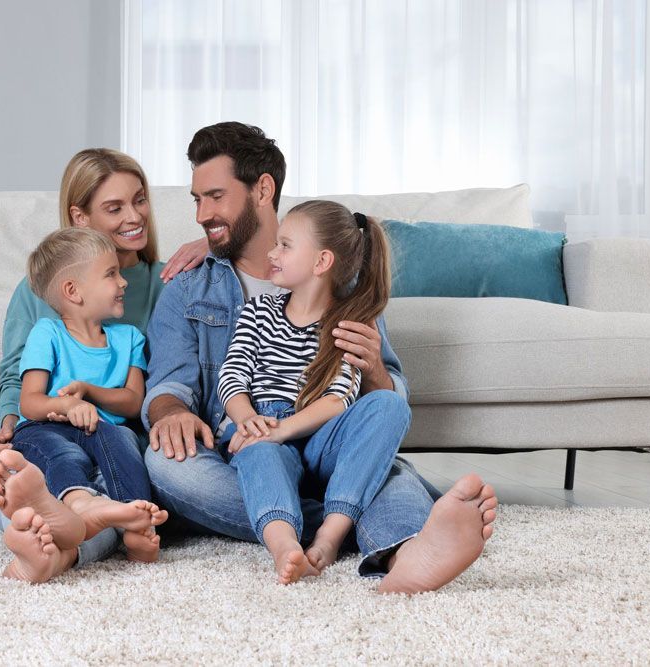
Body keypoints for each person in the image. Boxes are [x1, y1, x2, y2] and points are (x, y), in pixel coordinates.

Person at [143, 121, 499, 594]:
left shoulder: (348, 291)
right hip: (249, 448)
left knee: (385, 417)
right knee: (166, 464)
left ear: (262, 189)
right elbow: (170, 384)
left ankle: (403, 552)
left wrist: (374, 370)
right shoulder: (189, 286)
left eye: (215, 196)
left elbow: (386, 394)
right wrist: (169, 412)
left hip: (329, 441)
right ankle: (376, 526)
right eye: (196, 200)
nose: (201, 214)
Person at [0, 148, 206, 578]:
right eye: (115, 207)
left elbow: (153, 387)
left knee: (115, 491)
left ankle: (61, 550)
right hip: (51, 431)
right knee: (16, 486)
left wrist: (214, 243)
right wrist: (10, 421)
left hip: (122, 438)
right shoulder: (37, 291)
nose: (135, 216)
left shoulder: (171, 281)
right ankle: (61, 539)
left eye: (140, 200)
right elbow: (16, 378)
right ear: (80, 217)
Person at [219, 201, 403, 584]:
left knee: (389, 405)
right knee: (260, 452)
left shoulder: (348, 323)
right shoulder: (258, 311)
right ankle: (285, 544)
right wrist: (247, 421)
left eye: (285, 245)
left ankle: (329, 537)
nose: (272, 253)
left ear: (321, 262)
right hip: (262, 425)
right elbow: (232, 375)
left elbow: (339, 399)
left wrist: (284, 429)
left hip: (317, 431)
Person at [0, 227, 168, 582]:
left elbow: (133, 403)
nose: (123, 282)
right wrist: (68, 407)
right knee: (63, 455)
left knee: (123, 446)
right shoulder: (48, 332)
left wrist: (87, 392)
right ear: (72, 291)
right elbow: (30, 402)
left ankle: (132, 522)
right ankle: (78, 501)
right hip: (45, 428)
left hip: (104, 432)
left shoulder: (129, 339)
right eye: (111, 274)